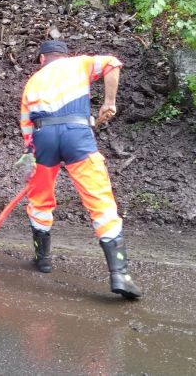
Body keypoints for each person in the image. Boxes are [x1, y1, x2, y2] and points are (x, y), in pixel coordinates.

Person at [16, 40, 142, 300]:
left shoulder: (33, 82)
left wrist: (31, 154)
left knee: (40, 200)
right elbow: (112, 63)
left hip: (43, 139)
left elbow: (26, 125)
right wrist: (109, 103)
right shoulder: (79, 63)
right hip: (77, 135)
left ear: (42, 59)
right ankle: (120, 274)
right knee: (99, 199)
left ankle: (43, 260)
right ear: (64, 55)